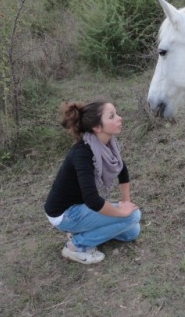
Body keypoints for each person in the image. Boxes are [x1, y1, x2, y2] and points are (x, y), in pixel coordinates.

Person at [44, 99, 141, 264]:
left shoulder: (107, 144)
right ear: (97, 128)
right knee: (133, 216)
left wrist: (126, 202)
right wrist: (122, 212)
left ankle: (84, 233)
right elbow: (92, 200)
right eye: (112, 116)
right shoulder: (82, 153)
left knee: (132, 232)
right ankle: (75, 246)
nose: (119, 118)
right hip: (65, 213)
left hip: (82, 206)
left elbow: (122, 171)